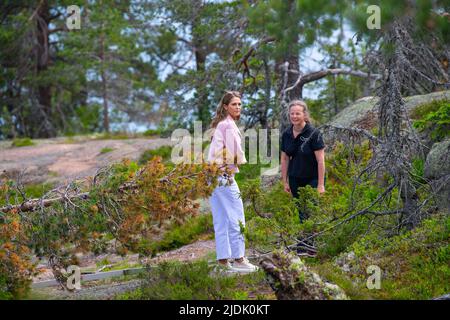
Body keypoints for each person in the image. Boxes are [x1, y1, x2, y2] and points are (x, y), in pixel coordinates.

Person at [207, 90, 259, 273]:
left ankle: (223, 263)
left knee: (221, 220)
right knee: (237, 217)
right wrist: (238, 164)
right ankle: (239, 259)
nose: (237, 107)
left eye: (239, 104)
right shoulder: (228, 126)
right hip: (223, 177)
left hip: (211, 177)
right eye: (234, 104)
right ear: (225, 107)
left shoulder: (221, 124)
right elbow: (235, 154)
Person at [281, 100, 326, 223]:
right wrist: (285, 181)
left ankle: (310, 240)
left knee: (311, 211)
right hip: (295, 179)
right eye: (292, 114)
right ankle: (304, 241)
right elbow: (284, 159)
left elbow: (321, 161)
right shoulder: (286, 134)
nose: (294, 116)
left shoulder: (314, 133)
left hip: (312, 179)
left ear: (304, 115)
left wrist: (321, 185)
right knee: (301, 211)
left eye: (297, 113)